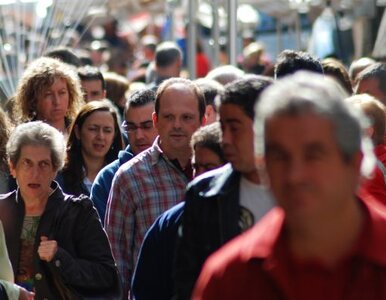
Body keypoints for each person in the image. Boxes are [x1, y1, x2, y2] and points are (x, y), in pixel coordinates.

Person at [193, 71, 386, 299]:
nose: (295, 175)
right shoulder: (230, 276)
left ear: (355, 162)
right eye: (279, 156)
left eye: (313, 155)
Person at [174, 76, 275, 300]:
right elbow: (188, 282)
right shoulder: (203, 194)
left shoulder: (307, 189)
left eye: (235, 128)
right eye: (222, 128)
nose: (225, 140)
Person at [105, 77, 206, 297]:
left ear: (203, 120)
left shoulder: (219, 173)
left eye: (186, 117)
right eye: (169, 117)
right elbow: (117, 265)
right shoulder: (129, 178)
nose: (177, 124)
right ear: (156, 120)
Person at [0, 121, 121, 299]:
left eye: (43, 164)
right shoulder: (2, 211)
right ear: (13, 167)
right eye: (27, 163)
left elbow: (106, 276)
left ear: (55, 169)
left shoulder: (78, 212)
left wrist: (60, 258)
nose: (35, 174)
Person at [131, 122, 226, 300]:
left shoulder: (246, 218)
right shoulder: (168, 224)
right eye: (196, 167)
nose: (200, 176)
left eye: (210, 168)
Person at [90, 89, 158, 222]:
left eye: (146, 126)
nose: (138, 136)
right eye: (131, 127)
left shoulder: (182, 166)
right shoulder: (108, 178)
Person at [58, 100, 123, 197]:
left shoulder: (122, 174)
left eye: (107, 130)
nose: (100, 136)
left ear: (114, 135)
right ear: (77, 132)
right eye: (93, 129)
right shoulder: (60, 175)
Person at [13, 57, 84, 137]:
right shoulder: (22, 137)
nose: (57, 101)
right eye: (48, 94)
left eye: (62, 93)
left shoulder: (80, 132)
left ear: (70, 95)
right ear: (33, 99)